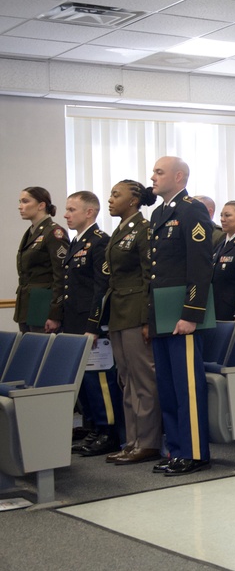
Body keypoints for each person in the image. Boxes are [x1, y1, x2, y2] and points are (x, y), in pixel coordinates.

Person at [148, 156, 214, 476]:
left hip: (181, 314)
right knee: (168, 386)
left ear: (178, 177)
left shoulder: (192, 209)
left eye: (159, 172)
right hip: (161, 312)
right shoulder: (159, 213)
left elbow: (200, 266)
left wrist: (191, 313)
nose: (153, 177)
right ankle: (176, 448)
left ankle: (194, 451)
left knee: (187, 385)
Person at [102, 179, 162, 465]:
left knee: (143, 380)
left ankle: (148, 442)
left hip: (137, 311)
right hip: (119, 312)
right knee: (126, 380)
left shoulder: (144, 229)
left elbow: (150, 276)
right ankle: (132, 440)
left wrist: (148, 319)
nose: (110, 199)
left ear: (134, 200)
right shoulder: (121, 230)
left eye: (116, 194)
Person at [61, 191, 123, 457]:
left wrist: (94, 325)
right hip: (74, 321)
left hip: (91, 323)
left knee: (100, 381)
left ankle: (109, 432)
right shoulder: (77, 242)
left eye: (72, 209)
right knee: (85, 382)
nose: (66, 215)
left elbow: (102, 287)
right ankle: (95, 428)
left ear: (89, 212)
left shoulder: (99, 242)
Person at [14, 187, 69, 333]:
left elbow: (62, 275)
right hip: (28, 303)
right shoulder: (32, 232)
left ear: (41, 205)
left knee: (43, 352)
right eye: (20, 202)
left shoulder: (54, 232)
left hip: (44, 303)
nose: (20, 206)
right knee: (29, 351)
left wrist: (55, 314)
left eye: (25, 201)